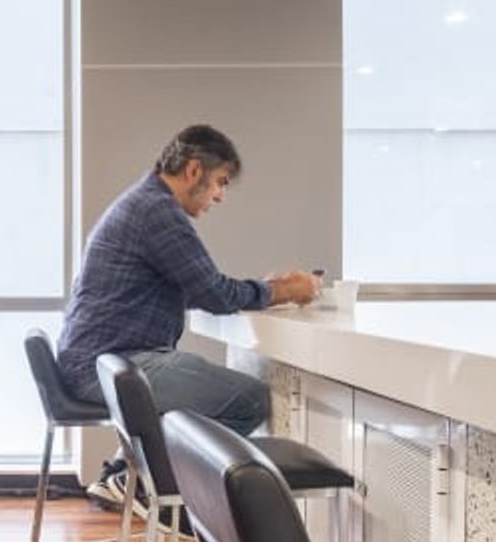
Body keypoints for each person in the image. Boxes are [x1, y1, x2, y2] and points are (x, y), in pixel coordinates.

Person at [55, 124, 320, 508]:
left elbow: (200, 286)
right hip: (114, 364)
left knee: (197, 404)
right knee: (250, 400)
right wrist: (285, 290)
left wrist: (263, 291)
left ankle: (124, 475)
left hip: (102, 361)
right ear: (194, 170)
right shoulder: (157, 212)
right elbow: (213, 293)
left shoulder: (144, 202)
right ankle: (146, 484)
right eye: (220, 182)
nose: (221, 196)